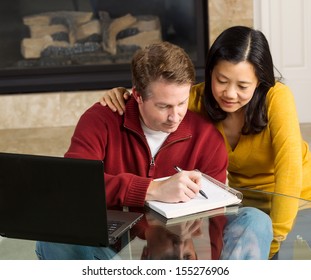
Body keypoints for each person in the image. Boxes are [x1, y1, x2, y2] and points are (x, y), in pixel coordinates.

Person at [36, 41, 272, 260]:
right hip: (112, 251)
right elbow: (73, 186)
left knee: (255, 220)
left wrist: (198, 265)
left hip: (181, 247)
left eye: (182, 103)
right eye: (163, 106)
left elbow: (216, 222)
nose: (175, 116)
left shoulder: (207, 139)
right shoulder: (100, 120)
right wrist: (152, 189)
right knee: (54, 235)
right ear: (137, 95)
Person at [99, 26, 311, 259]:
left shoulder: (277, 98)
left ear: (260, 82)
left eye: (242, 86)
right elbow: (158, 100)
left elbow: (289, 170)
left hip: (298, 203)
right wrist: (125, 94)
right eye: (221, 80)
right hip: (245, 204)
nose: (229, 94)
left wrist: (274, 243)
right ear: (210, 72)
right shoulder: (195, 101)